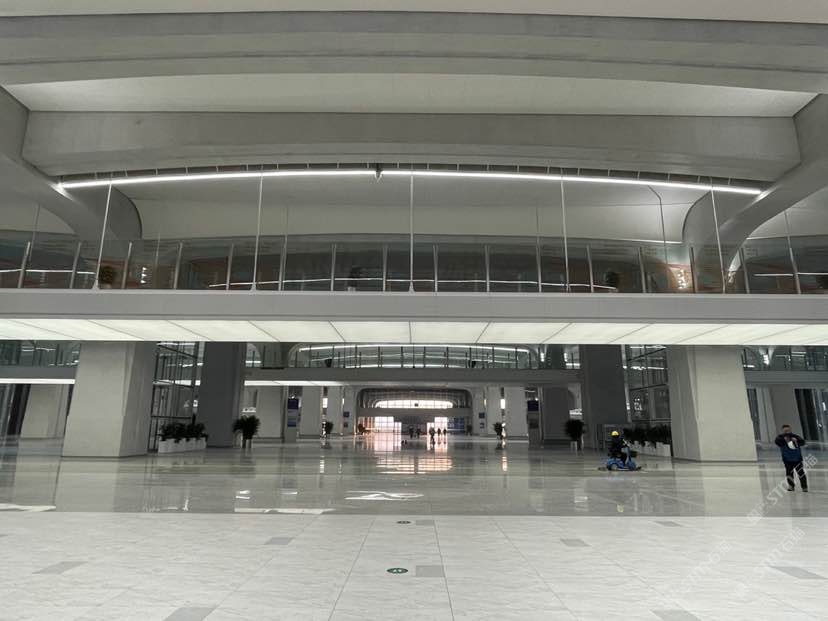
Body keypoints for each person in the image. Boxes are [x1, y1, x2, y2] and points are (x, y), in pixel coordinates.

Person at [775, 425, 808, 492]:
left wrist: (796, 441)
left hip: (797, 459)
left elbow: (803, 442)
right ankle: (791, 486)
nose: (787, 432)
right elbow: (777, 442)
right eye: (785, 431)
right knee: (789, 473)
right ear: (782, 431)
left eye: (788, 430)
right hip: (787, 459)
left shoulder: (795, 436)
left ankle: (804, 487)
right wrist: (784, 440)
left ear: (790, 430)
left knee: (801, 473)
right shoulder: (780, 437)